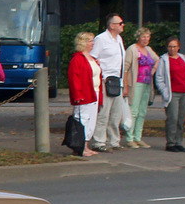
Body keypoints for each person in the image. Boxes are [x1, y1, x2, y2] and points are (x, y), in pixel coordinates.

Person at [90, 13, 127, 151]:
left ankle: (114, 141)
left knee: (116, 113)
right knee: (104, 113)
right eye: (120, 23)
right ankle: (99, 141)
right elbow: (93, 57)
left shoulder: (118, 39)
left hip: (117, 80)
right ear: (112, 25)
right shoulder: (101, 39)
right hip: (106, 80)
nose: (123, 25)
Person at [154, 37, 185, 153]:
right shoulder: (164, 60)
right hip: (172, 93)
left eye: (174, 46)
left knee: (181, 119)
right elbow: (159, 78)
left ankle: (179, 142)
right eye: (170, 46)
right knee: (172, 118)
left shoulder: (183, 58)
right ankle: (170, 142)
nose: (172, 49)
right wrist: (165, 92)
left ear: (178, 47)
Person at [123, 27, 160, 148]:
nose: (146, 39)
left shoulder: (148, 49)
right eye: (143, 37)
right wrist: (126, 86)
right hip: (136, 83)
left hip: (147, 83)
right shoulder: (132, 49)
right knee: (133, 110)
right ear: (138, 37)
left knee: (142, 111)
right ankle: (130, 138)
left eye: (148, 37)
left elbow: (157, 59)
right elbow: (126, 68)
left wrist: (153, 69)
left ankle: (138, 137)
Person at [67, 32, 101, 157]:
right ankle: (79, 146)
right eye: (90, 41)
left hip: (94, 92)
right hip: (84, 95)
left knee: (91, 120)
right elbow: (74, 78)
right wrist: (77, 95)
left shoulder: (92, 58)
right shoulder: (78, 59)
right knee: (83, 119)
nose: (93, 43)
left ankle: (86, 145)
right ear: (84, 43)